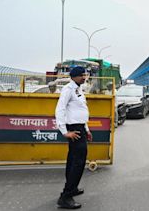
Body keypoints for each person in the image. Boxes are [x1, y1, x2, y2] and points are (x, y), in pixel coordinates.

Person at [55, 66, 93, 209]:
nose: (84, 77)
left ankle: (72, 188)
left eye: (85, 74)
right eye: (82, 75)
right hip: (74, 129)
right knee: (78, 162)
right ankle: (66, 197)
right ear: (75, 76)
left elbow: (80, 110)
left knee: (73, 160)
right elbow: (60, 109)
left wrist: (86, 129)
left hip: (80, 128)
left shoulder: (78, 89)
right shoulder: (68, 89)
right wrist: (64, 131)